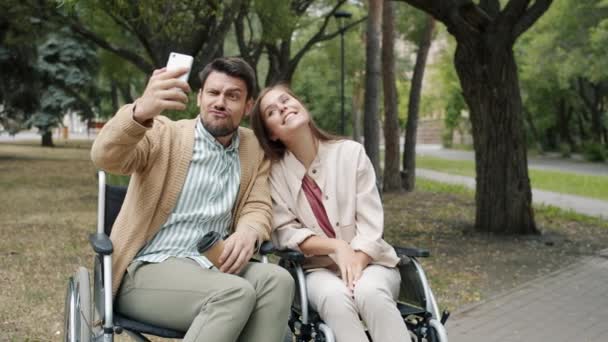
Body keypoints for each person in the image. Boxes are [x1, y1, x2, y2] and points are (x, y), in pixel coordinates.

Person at [91, 57, 294, 342]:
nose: (220, 102)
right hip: (148, 270)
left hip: (215, 264)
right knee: (234, 293)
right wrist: (139, 112)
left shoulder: (253, 149)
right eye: (213, 93)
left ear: (248, 106)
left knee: (278, 281)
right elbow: (105, 157)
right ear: (199, 97)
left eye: (233, 96)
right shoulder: (163, 133)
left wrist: (249, 231)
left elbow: (257, 205)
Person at [250, 84, 410, 342]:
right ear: (272, 134)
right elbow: (286, 233)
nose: (283, 107)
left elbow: (371, 224)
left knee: (369, 291)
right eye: (271, 111)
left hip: (371, 262)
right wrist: (336, 246)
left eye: (286, 100)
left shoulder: (351, 153)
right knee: (335, 297)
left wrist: (355, 265)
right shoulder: (273, 175)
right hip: (316, 271)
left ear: (300, 105)